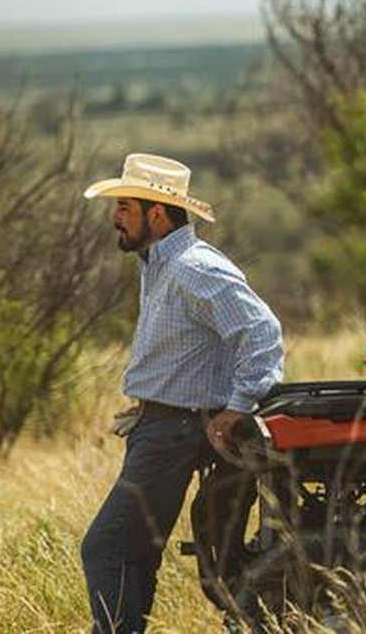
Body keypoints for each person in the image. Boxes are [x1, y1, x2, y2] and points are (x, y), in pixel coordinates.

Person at [80, 153, 284, 633]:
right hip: (159, 426)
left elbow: (261, 333)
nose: (115, 218)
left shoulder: (193, 267)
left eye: (125, 207)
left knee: (105, 547)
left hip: (174, 430)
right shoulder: (158, 263)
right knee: (133, 552)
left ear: (157, 214)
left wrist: (236, 409)